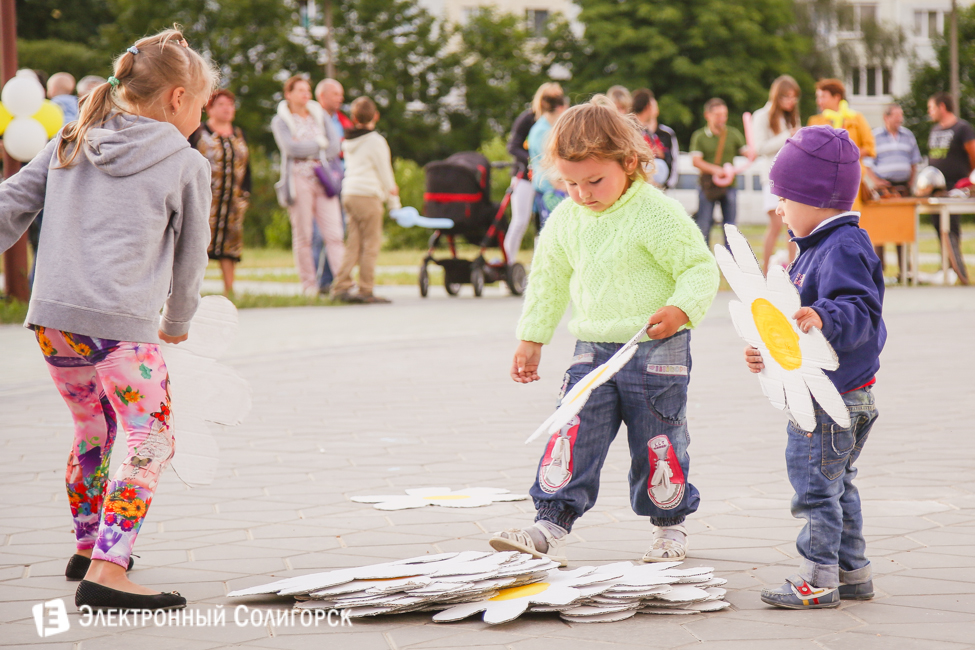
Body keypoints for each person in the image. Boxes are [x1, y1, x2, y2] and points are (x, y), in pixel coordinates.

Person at [0, 28, 215, 611]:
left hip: (54, 323)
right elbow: (192, 256)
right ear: (176, 98)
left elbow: (10, 203)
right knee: (152, 439)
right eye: (200, 103)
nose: (200, 115)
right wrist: (178, 320)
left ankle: (86, 545)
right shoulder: (186, 162)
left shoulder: (72, 137)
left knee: (92, 428)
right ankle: (107, 571)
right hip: (119, 327)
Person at [490, 97, 720, 566]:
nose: (582, 194)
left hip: (657, 347)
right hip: (593, 347)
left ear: (629, 163)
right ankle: (550, 525)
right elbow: (547, 280)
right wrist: (532, 338)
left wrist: (681, 309)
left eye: (594, 181)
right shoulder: (565, 219)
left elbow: (699, 267)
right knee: (571, 429)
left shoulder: (656, 212)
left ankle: (669, 527)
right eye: (570, 183)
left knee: (658, 440)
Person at [746, 125, 886, 609]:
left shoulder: (842, 246)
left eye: (784, 198)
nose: (779, 208)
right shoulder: (818, 248)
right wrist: (765, 354)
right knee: (837, 485)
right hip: (843, 394)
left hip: (831, 401)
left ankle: (818, 578)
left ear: (818, 199)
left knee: (813, 490)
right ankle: (853, 572)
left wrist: (824, 316)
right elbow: (791, 329)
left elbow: (860, 310)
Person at [271, 75, 345, 296]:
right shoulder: (281, 121)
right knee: (304, 235)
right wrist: (319, 145)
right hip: (298, 179)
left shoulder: (318, 114)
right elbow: (291, 149)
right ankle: (309, 285)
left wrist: (308, 147)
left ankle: (343, 283)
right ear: (289, 94)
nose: (305, 94)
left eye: (307, 90)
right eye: (300, 90)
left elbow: (334, 146)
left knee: (334, 233)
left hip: (323, 179)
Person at [330, 96, 399, 304]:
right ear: (376, 116)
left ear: (353, 117)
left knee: (353, 243)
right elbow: (385, 174)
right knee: (371, 244)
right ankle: (366, 289)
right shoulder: (375, 141)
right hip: (367, 195)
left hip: (349, 193)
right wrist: (394, 203)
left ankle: (341, 286)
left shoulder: (348, 140)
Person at [190, 89, 251, 295]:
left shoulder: (239, 134)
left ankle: (229, 290)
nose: (227, 109)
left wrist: (245, 195)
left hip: (233, 201)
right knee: (196, 243)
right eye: (222, 104)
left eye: (230, 105)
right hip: (205, 200)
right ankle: (191, 290)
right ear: (210, 109)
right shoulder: (199, 133)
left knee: (230, 246)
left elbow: (247, 168)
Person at [751, 75, 801, 272]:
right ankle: (764, 271)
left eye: (794, 97)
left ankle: (793, 270)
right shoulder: (761, 116)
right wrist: (787, 136)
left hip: (792, 176)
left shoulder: (792, 117)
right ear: (777, 96)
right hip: (772, 176)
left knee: (792, 225)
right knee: (775, 224)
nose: (791, 101)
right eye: (787, 96)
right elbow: (761, 147)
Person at [926, 92, 974, 284]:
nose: (929, 112)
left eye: (931, 108)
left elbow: (973, 153)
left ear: (942, 107)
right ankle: (945, 267)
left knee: (951, 228)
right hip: (936, 188)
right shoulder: (935, 129)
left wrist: (969, 180)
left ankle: (958, 270)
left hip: (956, 187)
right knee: (938, 227)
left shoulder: (962, 128)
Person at [868, 103, 922, 274]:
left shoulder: (908, 136)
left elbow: (914, 162)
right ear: (886, 117)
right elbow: (867, 164)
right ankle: (879, 270)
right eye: (896, 115)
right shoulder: (875, 136)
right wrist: (876, 181)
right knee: (881, 229)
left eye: (901, 115)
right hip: (884, 189)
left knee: (902, 229)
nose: (900, 119)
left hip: (903, 187)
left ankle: (905, 270)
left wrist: (911, 182)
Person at [807, 79, 877, 209]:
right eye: (818, 97)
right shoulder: (815, 121)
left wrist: (846, 155)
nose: (819, 101)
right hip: (824, 180)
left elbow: (870, 148)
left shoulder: (856, 118)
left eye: (823, 96)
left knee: (850, 215)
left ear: (836, 97)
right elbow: (810, 152)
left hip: (851, 178)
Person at [690, 98, 747, 246]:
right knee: (704, 224)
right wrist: (715, 170)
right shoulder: (700, 136)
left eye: (724, 115)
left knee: (730, 227)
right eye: (718, 115)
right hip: (708, 186)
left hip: (729, 186)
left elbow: (747, 152)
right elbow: (696, 161)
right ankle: (704, 257)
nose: (722, 119)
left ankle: (730, 257)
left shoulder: (733, 134)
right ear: (707, 115)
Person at [310, 78, 346, 294]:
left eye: (341, 94)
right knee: (317, 234)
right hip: (320, 180)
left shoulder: (342, 121)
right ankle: (316, 282)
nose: (340, 98)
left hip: (339, 180)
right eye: (336, 94)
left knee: (338, 231)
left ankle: (329, 280)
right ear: (322, 96)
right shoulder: (313, 118)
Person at [503, 87, 539, 262]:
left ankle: (540, 263)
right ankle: (507, 262)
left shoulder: (554, 121)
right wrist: (533, 159)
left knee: (542, 223)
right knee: (520, 221)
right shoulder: (528, 119)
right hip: (523, 176)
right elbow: (512, 147)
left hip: (545, 178)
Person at [527, 83, 567, 229]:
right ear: (561, 107)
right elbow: (548, 165)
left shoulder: (545, 127)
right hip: (549, 191)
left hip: (551, 187)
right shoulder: (542, 131)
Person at [632, 88, 680, 190]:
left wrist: (667, 185)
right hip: (637, 187)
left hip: (660, 187)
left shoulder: (666, 133)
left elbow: (674, 161)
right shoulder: (630, 132)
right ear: (648, 106)